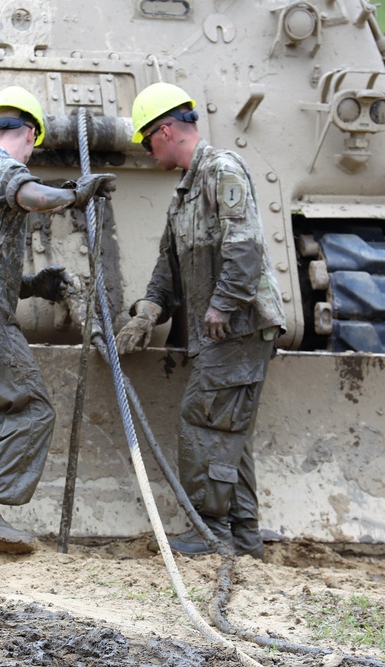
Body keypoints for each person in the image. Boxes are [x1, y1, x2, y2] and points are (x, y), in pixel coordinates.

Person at [0, 86, 114, 555]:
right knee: (30, 412)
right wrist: (74, 194)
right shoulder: (6, 168)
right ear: (30, 135)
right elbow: (30, 195)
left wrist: (34, 284)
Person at [115, 82, 285, 559]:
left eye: (148, 141)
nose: (148, 152)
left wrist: (222, 305)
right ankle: (244, 535)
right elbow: (165, 276)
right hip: (221, 333)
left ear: (166, 131)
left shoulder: (222, 170)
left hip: (239, 327)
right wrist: (144, 317)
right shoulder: (182, 198)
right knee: (229, 430)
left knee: (202, 417)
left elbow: (244, 246)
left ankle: (208, 529)